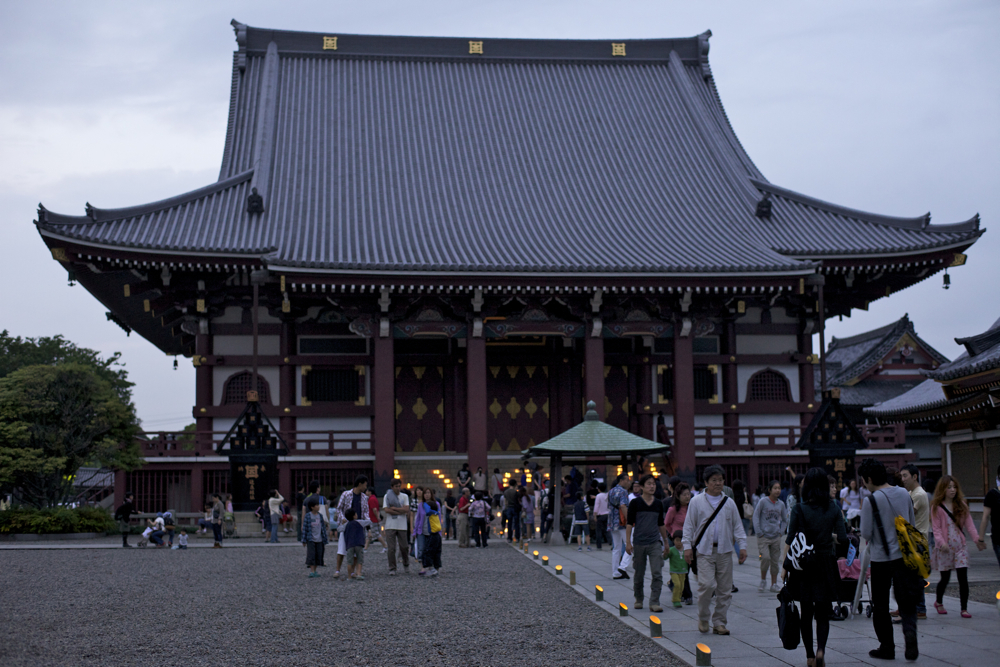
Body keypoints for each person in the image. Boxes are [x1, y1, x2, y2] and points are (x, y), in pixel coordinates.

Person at [780, 468, 847, 667]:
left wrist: (785, 566)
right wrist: (830, 538)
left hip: (803, 567)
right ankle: (820, 651)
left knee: (806, 612)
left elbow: (791, 538)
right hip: (825, 564)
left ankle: (809, 656)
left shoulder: (799, 509)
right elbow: (843, 538)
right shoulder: (834, 508)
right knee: (823, 612)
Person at [859, 457, 919, 661]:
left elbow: (866, 533)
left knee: (881, 604)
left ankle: (887, 646)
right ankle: (910, 633)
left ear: (868, 478)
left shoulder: (871, 500)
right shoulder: (903, 493)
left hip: (881, 558)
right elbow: (911, 522)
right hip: (904, 555)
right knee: (906, 601)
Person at [682, 465, 747, 635]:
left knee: (725, 590)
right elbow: (689, 526)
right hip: (704, 551)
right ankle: (703, 617)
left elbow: (738, 526)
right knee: (706, 585)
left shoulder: (729, 503)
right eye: (714, 480)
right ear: (706, 482)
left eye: (720, 480)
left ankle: (719, 622)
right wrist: (687, 547)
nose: (718, 483)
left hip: (725, 551)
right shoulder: (696, 501)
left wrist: (743, 546)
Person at [930, 475, 983, 617]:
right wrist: (941, 543)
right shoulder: (937, 507)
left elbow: (970, 526)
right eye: (949, 487)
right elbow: (936, 529)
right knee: (945, 578)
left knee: (963, 578)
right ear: (943, 489)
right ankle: (939, 601)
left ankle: (964, 608)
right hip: (945, 549)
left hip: (960, 547)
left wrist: (977, 540)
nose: (952, 490)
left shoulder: (962, 505)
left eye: (954, 487)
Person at [625, 474, 668, 612]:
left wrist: (665, 542)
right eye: (649, 484)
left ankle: (654, 601)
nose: (652, 486)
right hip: (639, 542)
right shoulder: (635, 503)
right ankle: (639, 598)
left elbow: (661, 523)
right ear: (642, 487)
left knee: (657, 572)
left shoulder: (658, 503)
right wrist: (628, 542)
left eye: (654, 484)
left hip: (654, 542)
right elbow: (629, 523)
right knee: (639, 573)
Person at [897, 464, 930, 620]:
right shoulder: (911, 492)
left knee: (915, 576)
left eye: (905, 476)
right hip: (912, 538)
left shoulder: (918, 494)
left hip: (918, 539)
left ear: (914, 476)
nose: (903, 479)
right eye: (902, 476)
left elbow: (908, 512)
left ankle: (920, 608)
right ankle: (906, 606)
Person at [753, 480, 788, 593]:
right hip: (764, 536)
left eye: (779, 488)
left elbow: (784, 519)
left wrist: (781, 532)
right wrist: (759, 532)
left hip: (775, 536)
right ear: (769, 490)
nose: (777, 490)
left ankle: (774, 584)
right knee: (765, 558)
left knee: (774, 561)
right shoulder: (763, 502)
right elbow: (756, 516)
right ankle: (763, 579)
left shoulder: (781, 504)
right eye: (775, 488)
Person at [334, 475, 370, 578]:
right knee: (341, 549)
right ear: (360, 484)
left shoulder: (364, 497)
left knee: (356, 549)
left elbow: (366, 512)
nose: (365, 487)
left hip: (358, 526)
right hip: (346, 525)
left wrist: (367, 524)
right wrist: (342, 518)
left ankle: (353, 572)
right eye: (365, 485)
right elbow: (339, 509)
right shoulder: (346, 494)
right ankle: (337, 570)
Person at [664, 482, 693, 604]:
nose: (687, 497)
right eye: (684, 495)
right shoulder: (673, 509)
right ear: (678, 496)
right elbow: (666, 524)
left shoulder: (692, 507)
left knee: (690, 567)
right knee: (683, 567)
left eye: (688, 494)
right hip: (679, 542)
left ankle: (678, 587)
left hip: (691, 540)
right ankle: (687, 594)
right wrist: (673, 535)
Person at [607, 473, 633, 579]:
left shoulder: (611, 491)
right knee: (630, 544)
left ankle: (615, 571)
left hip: (612, 522)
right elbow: (623, 505)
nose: (628, 482)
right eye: (627, 480)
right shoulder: (623, 491)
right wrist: (628, 519)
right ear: (621, 481)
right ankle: (622, 566)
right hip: (622, 522)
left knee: (616, 547)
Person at [382, 479, 411, 575]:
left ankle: (406, 563)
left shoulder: (405, 496)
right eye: (396, 486)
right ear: (392, 487)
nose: (398, 488)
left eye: (399, 486)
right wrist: (400, 511)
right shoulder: (387, 496)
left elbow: (406, 509)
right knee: (391, 548)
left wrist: (394, 509)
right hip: (390, 525)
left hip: (402, 525)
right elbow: (386, 510)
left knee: (404, 547)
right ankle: (392, 567)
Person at [977, 464, 1000, 568]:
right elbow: (985, 517)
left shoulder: (992, 494)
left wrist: (981, 538)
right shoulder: (992, 495)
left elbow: (985, 517)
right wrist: (980, 538)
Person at [418, 489, 443, 576]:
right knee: (436, 552)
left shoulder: (430, 513)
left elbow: (427, 509)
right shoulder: (436, 512)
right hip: (437, 535)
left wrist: (423, 503)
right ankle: (436, 567)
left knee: (427, 552)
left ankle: (431, 569)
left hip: (432, 535)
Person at [301, 498, 329, 577]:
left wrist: (325, 538)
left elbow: (322, 528)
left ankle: (315, 570)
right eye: (316, 505)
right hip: (311, 539)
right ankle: (312, 571)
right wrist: (304, 540)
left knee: (318, 554)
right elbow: (305, 528)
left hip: (320, 539)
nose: (318, 506)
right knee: (311, 555)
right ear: (312, 507)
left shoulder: (320, 516)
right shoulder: (308, 516)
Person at [342, 508, 366, 580]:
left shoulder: (346, 525)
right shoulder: (360, 522)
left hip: (350, 544)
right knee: (359, 559)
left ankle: (349, 576)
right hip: (359, 543)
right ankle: (358, 573)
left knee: (349, 561)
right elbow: (369, 522)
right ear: (354, 516)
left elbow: (339, 529)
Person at [667, 531, 688, 608]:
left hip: (683, 571)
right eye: (677, 540)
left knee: (681, 586)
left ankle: (678, 598)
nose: (679, 543)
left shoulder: (685, 550)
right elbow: (665, 557)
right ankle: (675, 600)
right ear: (673, 540)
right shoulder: (672, 549)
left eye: (680, 540)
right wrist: (665, 553)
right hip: (674, 571)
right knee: (677, 584)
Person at [503, 478, 521, 543]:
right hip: (515, 508)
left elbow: (505, 501)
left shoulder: (506, 492)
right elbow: (519, 501)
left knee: (509, 523)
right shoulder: (516, 492)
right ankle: (517, 537)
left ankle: (509, 537)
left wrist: (505, 508)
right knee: (516, 523)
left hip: (509, 508)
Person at [593, 482, 608, 550]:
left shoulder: (598, 496)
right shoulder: (608, 495)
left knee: (598, 530)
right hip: (607, 514)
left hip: (600, 515)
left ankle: (599, 545)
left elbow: (596, 506)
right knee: (607, 530)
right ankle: (610, 542)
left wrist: (595, 515)